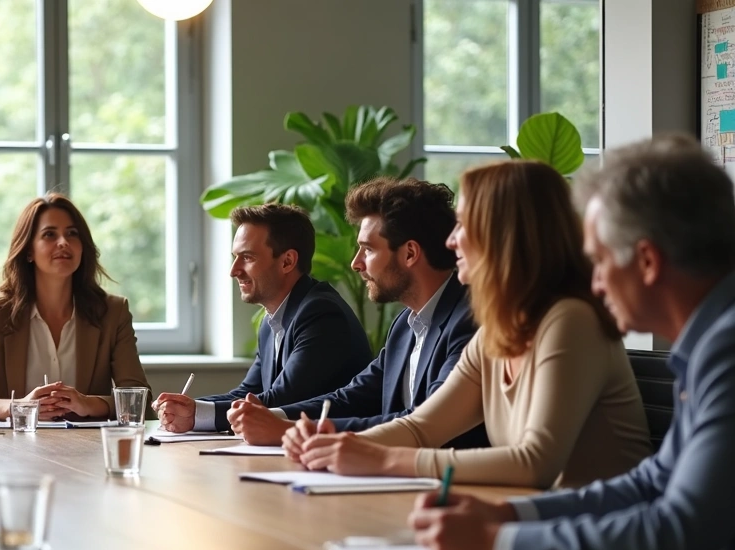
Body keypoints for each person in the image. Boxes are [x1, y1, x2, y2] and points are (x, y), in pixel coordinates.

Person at [407, 135, 735, 550]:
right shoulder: (709, 346)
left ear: (646, 262)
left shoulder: (726, 352)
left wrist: (496, 546)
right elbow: (652, 483)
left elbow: (676, 534)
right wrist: (508, 514)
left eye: (600, 260)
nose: (595, 282)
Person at [287, 161, 650, 489]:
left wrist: (381, 458)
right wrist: (332, 444)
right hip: (535, 523)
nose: (450, 240)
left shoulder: (570, 320)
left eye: (463, 224)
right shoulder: (498, 330)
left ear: (505, 235)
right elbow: (421, 428)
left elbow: (535, 463)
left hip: (595, 539)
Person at [225, 178, 487, 449]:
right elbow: (353, 397)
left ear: (410, 253)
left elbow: (421, 423)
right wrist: (274, 418)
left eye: (369, 249)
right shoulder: (405, 325)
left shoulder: (469, 320)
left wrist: (288, 429)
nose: (356, 263)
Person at [152, 203, 372, 433]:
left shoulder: (321, 313)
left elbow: (282, 400)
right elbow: (248, 394)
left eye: (247, 257)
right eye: (235, 257)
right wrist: (187, 408)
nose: (233, 270)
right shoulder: (271, 320)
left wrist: (197, 414)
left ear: (287, 261)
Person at [0, 194, 149, 420]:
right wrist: (19, 408)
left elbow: (140, 399)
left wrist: (88, 404)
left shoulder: (113, 312)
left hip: (88, 450)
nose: (63, 242)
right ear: (29, 251)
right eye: (49, 234)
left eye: (72, 234)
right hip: (15, 449)